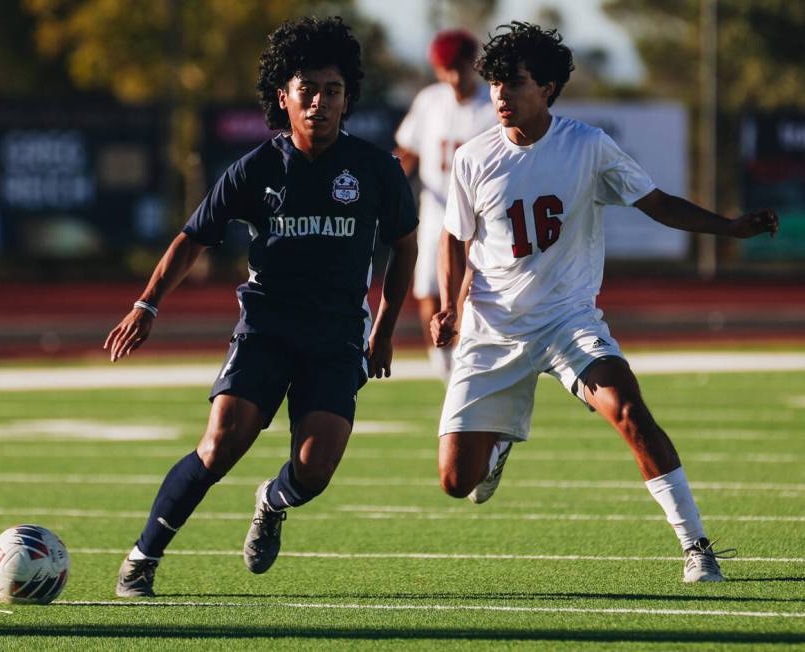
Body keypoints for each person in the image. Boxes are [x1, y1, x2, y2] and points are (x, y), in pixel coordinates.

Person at [431, 21, 778, 583]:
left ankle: (696, 546)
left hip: (568, 321)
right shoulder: (473, 157)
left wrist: (730, 229)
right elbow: (454, 235)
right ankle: (494, 449)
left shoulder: (587, 146)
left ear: (546, 89)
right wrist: (449, 304)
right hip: (493, 329)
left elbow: (658, 204)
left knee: (629, 409)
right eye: (495, 83)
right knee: (455, 483)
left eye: (514, 83)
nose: (500, 95)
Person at [105, 16, 417, 597]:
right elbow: (192, 239)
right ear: (284, 96)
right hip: (266, 327)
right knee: (220, 443)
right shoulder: (254, 169)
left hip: (338, 335)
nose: (320, 103)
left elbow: (404, 247)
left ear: (347, 99)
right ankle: (142, 558)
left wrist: (387, 330)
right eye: (308, 90)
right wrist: (146, 305)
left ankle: (272, 500)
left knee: (316, 469)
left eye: (332, 91)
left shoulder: (376, 169)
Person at [394, 29, 496, 382]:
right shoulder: (430, 101)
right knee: (427, 290)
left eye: (459, 67)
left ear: (473, 65)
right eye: (445, 68)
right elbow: (409, 150)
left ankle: (471, 366)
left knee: (474, 291)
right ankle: (444, 368)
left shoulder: (492, 105)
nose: (453, 76)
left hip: (482, 215)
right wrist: (387, 182)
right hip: (436, 209)